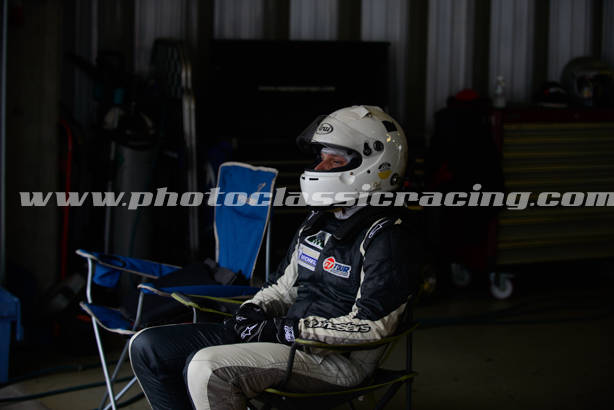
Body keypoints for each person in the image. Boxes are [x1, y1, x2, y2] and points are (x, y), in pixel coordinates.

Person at [129, 105, 421, 409]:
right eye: (321, 159)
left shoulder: (389, 238)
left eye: (334, 162)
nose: (320, 169)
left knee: (207, 368)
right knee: (147, 346)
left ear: (376, 168)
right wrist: (254, 309)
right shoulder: (318, 221)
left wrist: (290, 330)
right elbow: (283, 288)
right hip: (284, 340)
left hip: (335, 362)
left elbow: (371, 327)